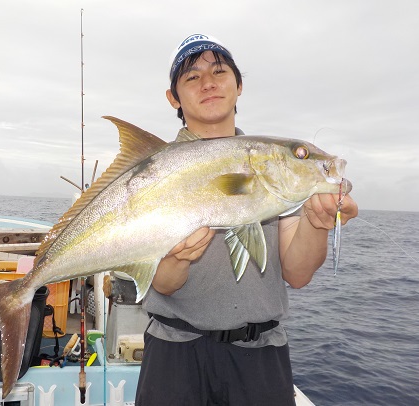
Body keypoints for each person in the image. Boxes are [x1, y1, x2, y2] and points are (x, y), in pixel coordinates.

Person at [135, 34, 359, 406]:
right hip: (174, 352)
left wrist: (317, 223)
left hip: (259, 356)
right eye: (191, 77)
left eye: (219, 71)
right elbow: (164, 284)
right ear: (173, 97)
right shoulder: (154, 175)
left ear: (239, 86)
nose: (208, 82)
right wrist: (175, 259)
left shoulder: (275, 174)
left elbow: (298, 273)